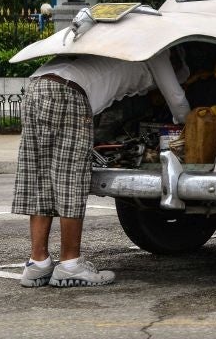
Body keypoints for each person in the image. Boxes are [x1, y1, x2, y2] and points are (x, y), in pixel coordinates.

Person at [13, 51, 189, 288]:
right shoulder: (157, 52)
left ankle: (38, 263)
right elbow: (176, 99)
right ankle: (70, 265)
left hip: (37, 87)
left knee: (40, 179)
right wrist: (191, 125)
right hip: (69, 93)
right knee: (70, 180)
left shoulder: (116, 43)